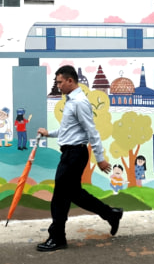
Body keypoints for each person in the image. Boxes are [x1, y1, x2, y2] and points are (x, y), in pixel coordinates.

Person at [36, 65, 123, 252]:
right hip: (70, 152)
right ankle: (111, 214)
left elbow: (92, 131)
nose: (58, 85)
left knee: (59, 196)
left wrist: (100, 158)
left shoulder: (79, 102)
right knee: (76, 194)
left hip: (75, 154)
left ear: (70, 80)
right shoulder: (71, 101)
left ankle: (57, 237)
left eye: (60, 82)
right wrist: (48, 133)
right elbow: (67, 129)